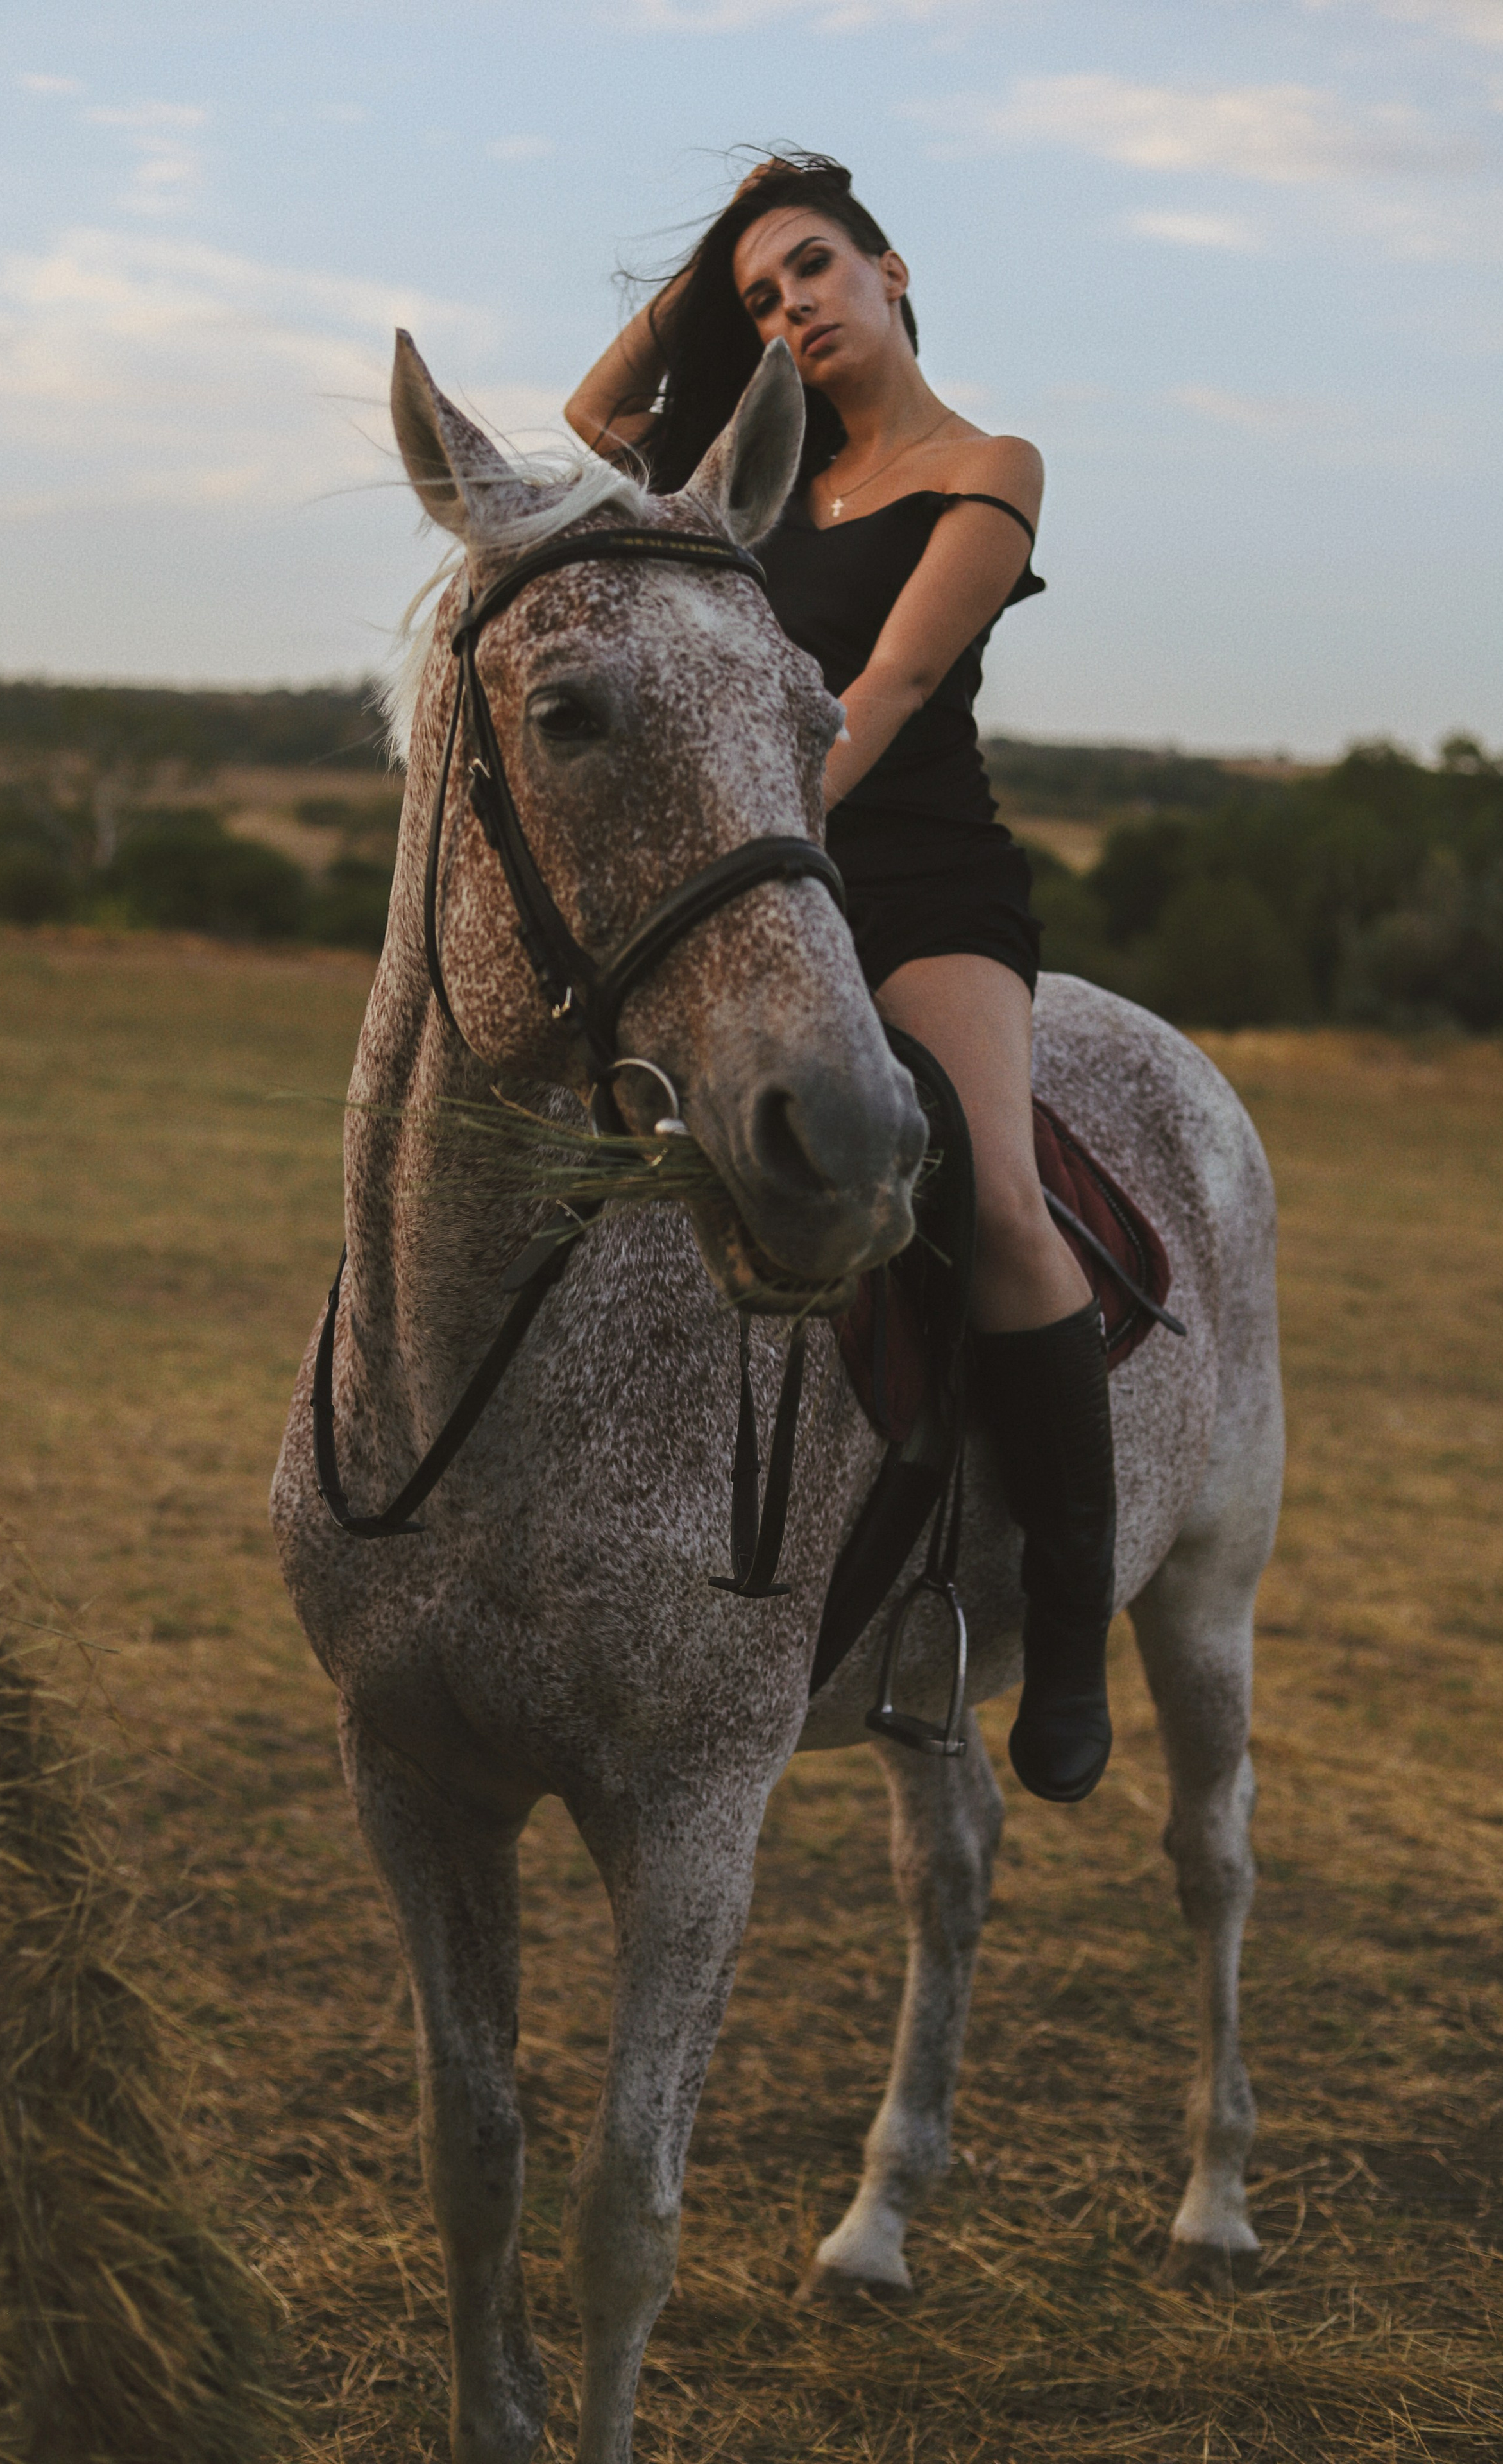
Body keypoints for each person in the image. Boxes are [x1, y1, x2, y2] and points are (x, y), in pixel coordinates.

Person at [566, 153, 1113, 1804]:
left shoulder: (985, 465)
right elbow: (591, 428)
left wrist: (733, 846)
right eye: (760, 298)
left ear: (889, 267)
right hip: (764, 890)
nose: (791, 305)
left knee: (1003, 1204)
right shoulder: (751, 478)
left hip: (920, 889)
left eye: (811, 268)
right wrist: (721, 247)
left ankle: (1074, 1630)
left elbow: (886, 682)